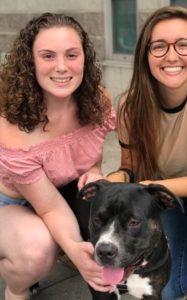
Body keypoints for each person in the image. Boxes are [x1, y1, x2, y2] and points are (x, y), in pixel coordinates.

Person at [106, 6, 187, 300]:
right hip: (173, 199)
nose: (171, 55)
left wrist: (154, 188)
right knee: (167, 290)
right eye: (159, 46)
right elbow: (132, 168)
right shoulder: (131, 105)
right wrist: (112, 179)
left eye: (183, 44)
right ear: (145, 54)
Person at [0, 13, 115, 300]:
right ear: (30, 62)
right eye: (48, 56)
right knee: (37, 252)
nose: (62, 67)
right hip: (10, 200)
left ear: (84, 59)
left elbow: (90, 158)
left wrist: (96, 171)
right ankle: (17, 288)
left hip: (55, 191)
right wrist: (76, 250)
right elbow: (49, 206)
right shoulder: (13, 124)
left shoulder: (96, 100)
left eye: (72, 55)